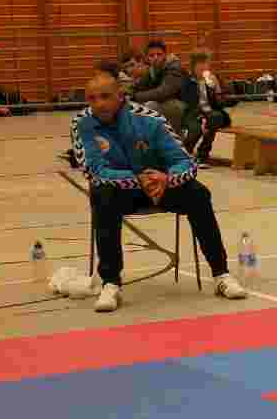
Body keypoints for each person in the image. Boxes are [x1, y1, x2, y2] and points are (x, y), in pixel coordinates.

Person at [71, 68, 249, 312]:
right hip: (122, 190)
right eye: (92, 99)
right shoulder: (82, 124)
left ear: (120, 96)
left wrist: (167, 178)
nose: (99, 104)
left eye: (105, 96)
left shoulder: (150, 119)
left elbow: (185, 161)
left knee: (198, 194)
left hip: (161, 185)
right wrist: (138, 180)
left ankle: (221, 274)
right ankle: (111, 283)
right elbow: (94, 171)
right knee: (101, 195)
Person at [179, 50, 234, 163]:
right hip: (192, 113)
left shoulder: (212, 79)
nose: (204, 67)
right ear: (193, 66)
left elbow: (221, 104)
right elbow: (187, 101)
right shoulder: (187, 81)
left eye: (206, 63)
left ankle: (203, 154)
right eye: (200, 64)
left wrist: (217, 89)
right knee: (196, 129)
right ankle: (184, 153)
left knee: (216, 118)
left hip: (209, 112)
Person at [130, 40, 189, 132]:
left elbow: (164, 92)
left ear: (165, 55)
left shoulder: (174, 67)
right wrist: (128, 93)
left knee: (149, 107)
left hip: (182, 105)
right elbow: (139, 87)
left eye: (159, 54)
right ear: (147, 58)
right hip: (166, 103)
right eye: (152, 55)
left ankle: (171, 135)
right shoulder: (152, 70)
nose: (156, 57)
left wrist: (136, 96)